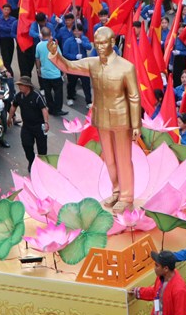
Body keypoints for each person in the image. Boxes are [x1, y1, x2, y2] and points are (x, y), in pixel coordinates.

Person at [48, 26, 141, 212]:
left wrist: (136, 124)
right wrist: (55, 54)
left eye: (103, 43)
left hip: (122, 120)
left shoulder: (126, 67)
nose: (99, 47)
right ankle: (116, 190)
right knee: (109, 158)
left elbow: (134, 97)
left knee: (123, 159)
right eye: (97, 43)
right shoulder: (93, 63)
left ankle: (126, 196)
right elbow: (69, 66)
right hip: (102, 118)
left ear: (112, 42)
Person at [130, 250, 186, 315]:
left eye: (157, 265)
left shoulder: (179, 290)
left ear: (166, 269)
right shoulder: (161, 278)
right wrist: (138, 292)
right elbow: (155, 292)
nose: (154, 268)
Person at [8, 76, 49, 173]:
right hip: (27, 126)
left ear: (28, 86)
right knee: (26, 145)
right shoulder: (19, 96)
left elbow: (44, 109)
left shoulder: (36, 96)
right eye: (19, 85)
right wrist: (9, 118)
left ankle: (42, 165)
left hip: (39, 126)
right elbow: (14, 106)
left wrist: (46, 122)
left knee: (42, 148)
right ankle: (32, 161)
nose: (20, 87)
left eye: (21, 85)